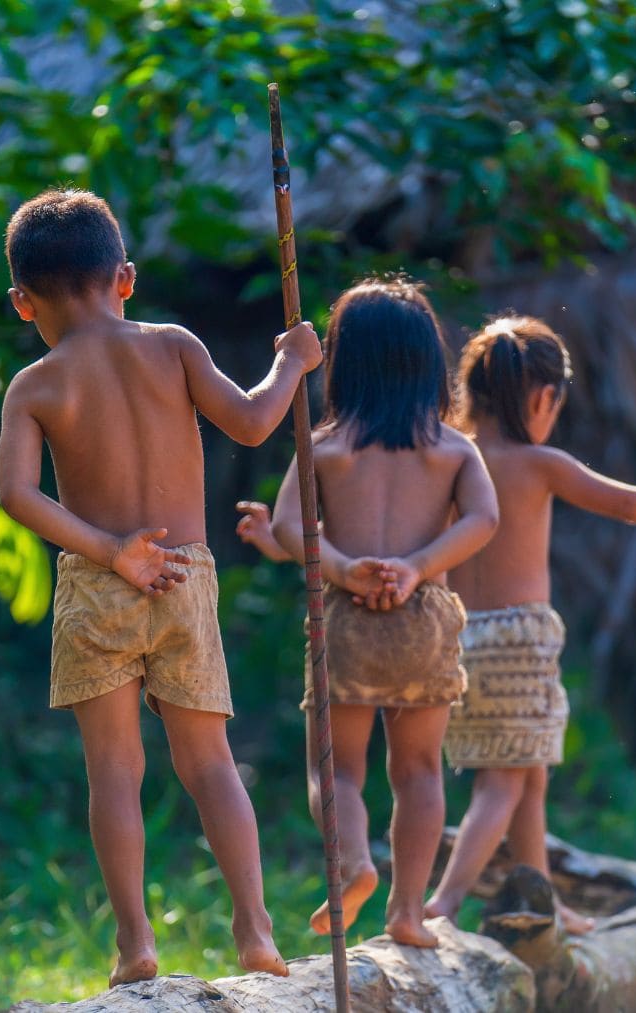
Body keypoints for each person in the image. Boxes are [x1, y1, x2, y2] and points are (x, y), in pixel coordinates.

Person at [0, 188, 322, 984]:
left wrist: (111, 549)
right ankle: (255, 931)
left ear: (22, 301)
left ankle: (135, 943)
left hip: (99, 579)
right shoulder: (172, 345)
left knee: (115, 769)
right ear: (126, 278)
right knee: (209, 762)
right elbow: (251, 420)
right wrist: (294, 362)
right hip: (182, 574)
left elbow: (18, 495)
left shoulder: (35, 385)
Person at [421, 314, 636, 935]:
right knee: (503, 784)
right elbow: (626, 503)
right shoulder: (540, 463)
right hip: (520, 642)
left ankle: (539, 901)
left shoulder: (451, 457)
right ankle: (443, 903)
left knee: (527, 780)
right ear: (542, 398)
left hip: (459, 638)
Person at [259, 276, 499, 948]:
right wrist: (418, 567)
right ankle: (406, 908)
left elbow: (286, 525)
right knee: (419, 771)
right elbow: (485, 518)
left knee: (334, 771)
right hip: (423, 623)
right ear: (430, 362)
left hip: (348, 624)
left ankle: (355, 859)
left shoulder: (327, 446)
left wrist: (341, 569)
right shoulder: (452, 449)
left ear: (343, 363)